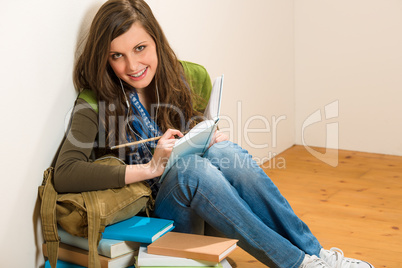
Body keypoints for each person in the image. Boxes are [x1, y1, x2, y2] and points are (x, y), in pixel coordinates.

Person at [54, 0, 374, 267]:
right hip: (150, 219)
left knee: (226, 153)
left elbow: (198, 131)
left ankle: (317, 256)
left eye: (140, 48)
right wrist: (151, 167)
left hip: (205, 206)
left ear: (156, 41)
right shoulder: (94, 102)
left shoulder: (188, 77)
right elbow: (65, 173)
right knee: (192, 171)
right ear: (104, 57)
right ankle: (298, 264)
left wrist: (207, 136)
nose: (133, 65)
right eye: (117, 55)